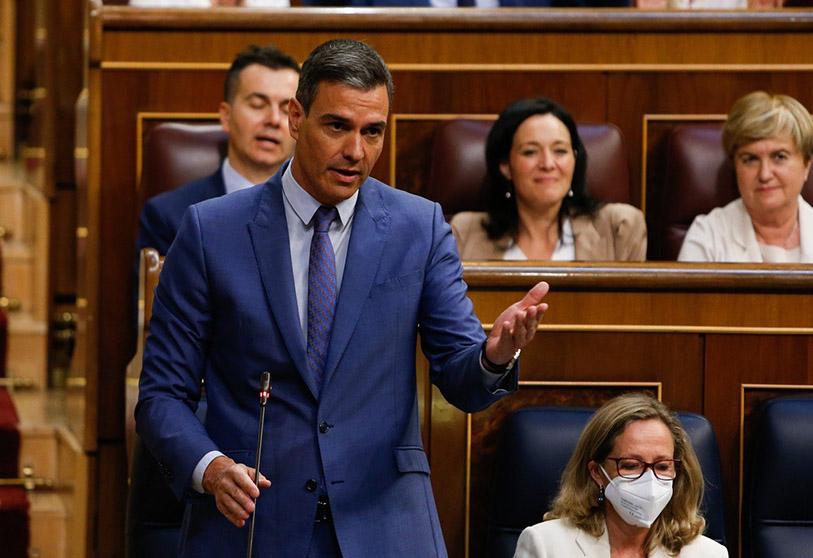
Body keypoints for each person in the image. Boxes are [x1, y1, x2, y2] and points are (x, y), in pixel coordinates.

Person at [136, 38, 549, 557]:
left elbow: (463, 381)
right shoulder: (210, 230)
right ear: (296, 116)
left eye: (372, 132)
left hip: (386, 523)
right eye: (337, 127)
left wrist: (494, 354)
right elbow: (161, 396)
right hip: (253, 523)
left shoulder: (418, 228)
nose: (356, 151)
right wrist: (211, 467)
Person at [514, 393, 728, 558]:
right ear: (597, 472)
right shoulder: (545, 545)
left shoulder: (708, 554)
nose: (649, 480)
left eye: (663, 466)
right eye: (631, 465)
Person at [136, 44, 300, 257]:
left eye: (286, 110)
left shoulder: (317, 213)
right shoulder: (170, 217)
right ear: (226, 116)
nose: (274, 120)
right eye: (258, 105)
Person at [451, 98, 646, 261]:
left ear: (574, 161)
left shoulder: (619, 227)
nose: (547, 163)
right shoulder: (464, 234)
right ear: (505, 166)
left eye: (560, 151)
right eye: (530, 152)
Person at [678, 91, 813, 263]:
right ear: (735, 166)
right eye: (750, 159)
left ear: (806, 165)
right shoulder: (707, 236)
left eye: (779, 156)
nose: (764, 174)